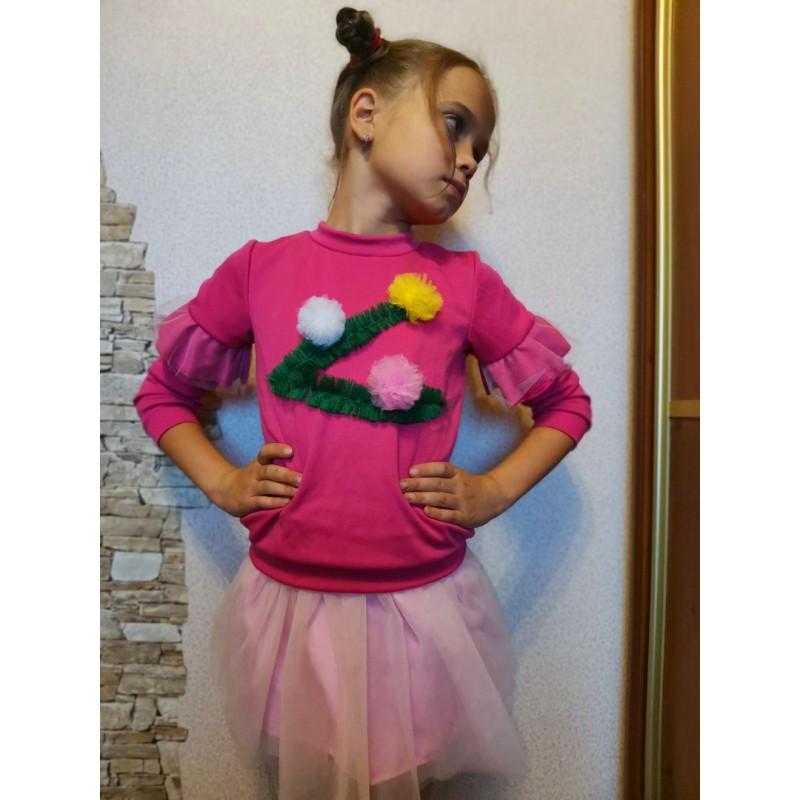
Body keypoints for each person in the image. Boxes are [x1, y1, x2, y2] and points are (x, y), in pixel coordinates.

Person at [133, 7, 592, 799]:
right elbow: (163, 391)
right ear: (366, 114)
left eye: (480, 149)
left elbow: (567, 403)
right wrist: (223, 481)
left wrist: (493, 489)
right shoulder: (263, 270)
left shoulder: (462, 284)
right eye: (456, 125)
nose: (469, 159)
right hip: (292, 609)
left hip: (423, 611)